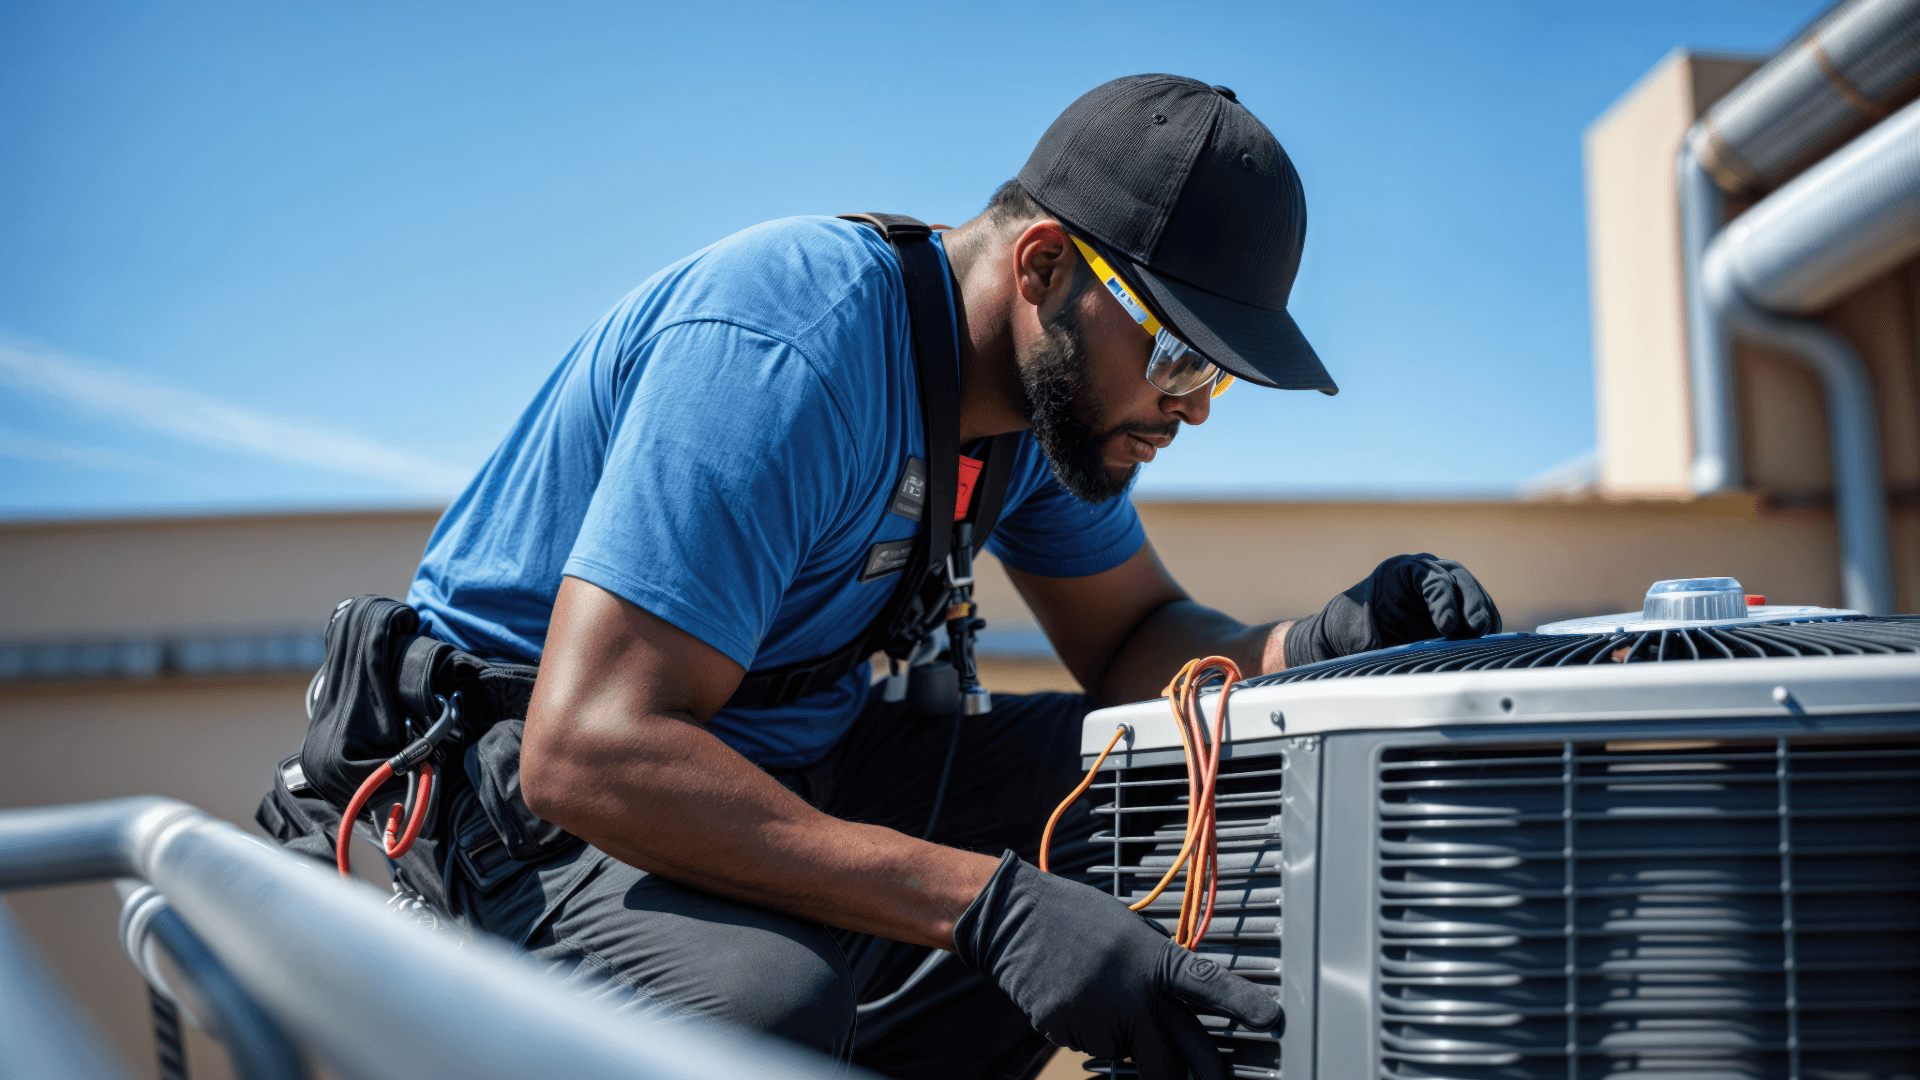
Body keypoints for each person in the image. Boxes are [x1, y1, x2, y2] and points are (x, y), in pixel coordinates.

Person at [401, 74, 1501, 1080]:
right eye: (1177, 354)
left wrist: (1318, 642)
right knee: (764, 1009)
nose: (1196, 405)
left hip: (788, 762)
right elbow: (586, 749)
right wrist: (992, 906)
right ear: (1045, 270)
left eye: (1215, 373)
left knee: (1151, 795)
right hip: (513, 802)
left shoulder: (1038, 414)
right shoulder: (794, 351)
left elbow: (1132, 641)